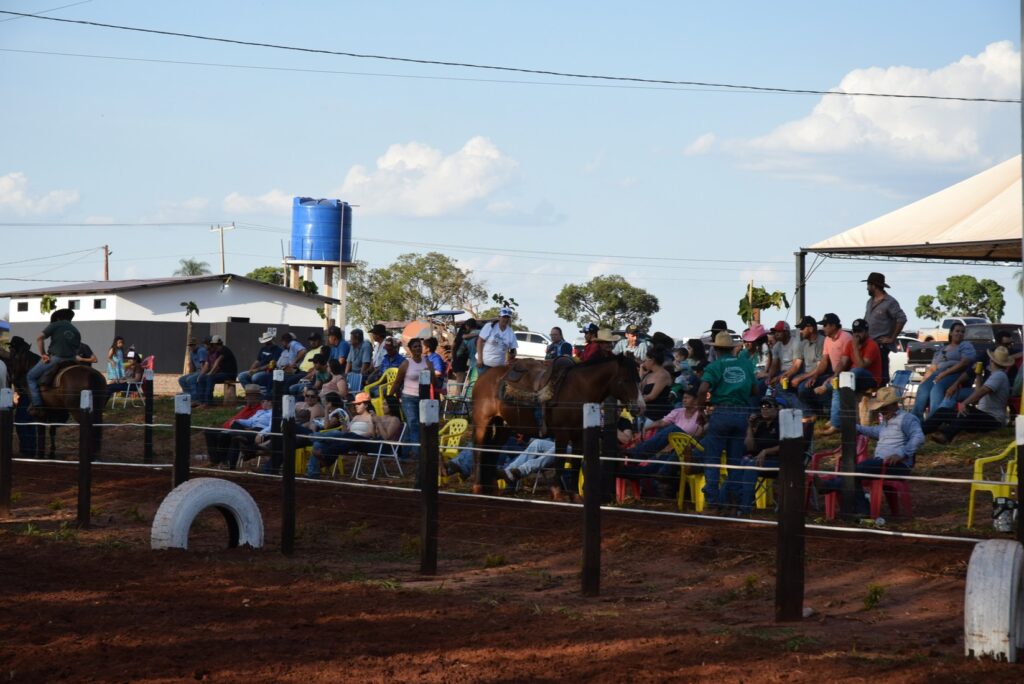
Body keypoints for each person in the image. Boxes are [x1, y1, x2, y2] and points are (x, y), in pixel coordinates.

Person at [696, 330, 757, 513]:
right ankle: (734, 501)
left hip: (721, 412)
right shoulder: (746, 364)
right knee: (735, 461)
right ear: (731, 349)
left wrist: (701, 409)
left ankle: (713, 502)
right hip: (741, 414)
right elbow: (754, 390)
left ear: (716, 350)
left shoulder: (715, 366)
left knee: (713, 459)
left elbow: (702, 389)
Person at [854, 386, 924, 515]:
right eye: (880, 408)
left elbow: (918, 437)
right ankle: (862, 509)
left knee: (855, 471)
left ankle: (831, 487)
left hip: (896, 465)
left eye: (884, 407)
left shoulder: (907, 418)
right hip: (882, 463)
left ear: (894, 404)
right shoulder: (887, 422)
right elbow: (874, 431)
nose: (881, 411)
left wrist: (901, 454)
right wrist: (855, 427)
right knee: (854, 473)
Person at [926, 346, 1013, 443]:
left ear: (992, 361)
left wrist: (965, 403)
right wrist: (978, 374)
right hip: (982, 416)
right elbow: (978, 392)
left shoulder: (999, 376)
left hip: (993, 420)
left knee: (967, 411)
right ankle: (923, 430)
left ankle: (946, 436)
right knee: (943, 412)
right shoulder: (996, 375)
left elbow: (982, 391)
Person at [824, 318, 882, 431]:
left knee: (854, 372)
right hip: (855, 377)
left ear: (866, 332)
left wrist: (855, 347)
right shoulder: (850, 343)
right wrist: (835, 376)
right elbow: (843, 362)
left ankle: (826, 387)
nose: (856, 335)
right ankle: (836, 424)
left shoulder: (872, 345)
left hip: (871, 378)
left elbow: (861, 366)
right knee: (838, 384)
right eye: (855, 331)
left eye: (859, 331)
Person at [912, 321, 976, 421]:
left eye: (962, 332)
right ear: (951, 333)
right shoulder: (942, 348)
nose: (960, 333)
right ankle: (915, 420)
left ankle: (933, 421)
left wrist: (944, 374)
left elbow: (964, 362)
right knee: (923, 389)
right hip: (939, 374)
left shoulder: (965, 346)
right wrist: (924, 380)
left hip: (955, 373)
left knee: (937, 389)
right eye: (957, 331)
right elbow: (933, 367)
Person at [306, 391, 376, 477]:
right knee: (319, 444)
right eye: (355, 404)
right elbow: (346, 430)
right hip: (347, 440)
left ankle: (310, 439)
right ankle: (313, 473)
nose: (355, 406)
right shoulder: (355, 417)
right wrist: (345, 427)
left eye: (358, 404)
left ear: (366, 405)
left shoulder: (371, 417)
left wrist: (355, 436)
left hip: (360, 441)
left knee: (336, 433)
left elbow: (372, 434)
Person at [27, 308, 81, 414]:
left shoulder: (56, 324)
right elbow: (77, 349)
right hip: (72, 360)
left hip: (56, 358)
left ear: (58, 317)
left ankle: (37, 405)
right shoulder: (76, 331)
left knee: (31, 377)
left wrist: (43, 354)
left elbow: (39, 338)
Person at [737, 395, 782, 515]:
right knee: (741, 463)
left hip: (779, 462)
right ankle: (731, 503)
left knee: (751, 465)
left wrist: (766, 451)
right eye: (762, 406)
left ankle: (744, 507)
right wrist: (750, 427)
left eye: (768, 406)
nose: (764, 409)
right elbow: (751, 447)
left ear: (776, 409)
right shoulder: (761, 425)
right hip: (760, 461)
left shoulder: (781, 423)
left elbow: (787, 445)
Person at [805, 313, 853, 424]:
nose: (823, 328)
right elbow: (824, 360)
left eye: (825, 325)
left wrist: (831, 379)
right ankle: (829, 416)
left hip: (847, 373)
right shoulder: (827, 339)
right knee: (808, 387)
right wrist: (815, 376)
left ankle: (835, 421)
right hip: (835, 373)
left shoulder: (846, 338)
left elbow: (845, 362)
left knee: (834, 389)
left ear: (833, 326)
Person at [203, 384, 264, 467]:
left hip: (240, 431)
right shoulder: (247, 407)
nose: (246, 397)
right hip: (228, 428)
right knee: (209, 432)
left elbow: (253, 424)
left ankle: (224, 462)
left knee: (224, 435)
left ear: (257, 397)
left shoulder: (260, 410)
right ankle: (215, 461)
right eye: (246, 395)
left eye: (249, 395)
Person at [863, 272, 907, 386]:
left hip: (880, 344)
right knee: (868, 374)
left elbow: (902, 318)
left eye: (868, 285)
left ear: (873, 286)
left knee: (881, 375)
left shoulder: (890, 302)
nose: (867, 288)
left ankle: (882, 398)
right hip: (868, 343)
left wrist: (892, 338)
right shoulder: (870, 301)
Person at [389, 337, 430, 460]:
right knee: (414, 423)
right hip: (408, 398)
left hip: (423, 398)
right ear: (411, 350)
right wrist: (390, 397)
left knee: (411, 425)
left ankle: (404, 453)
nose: (418, 348)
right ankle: (416, 454)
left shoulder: (427, 362)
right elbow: (397, 382)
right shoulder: (406, 363)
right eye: (415, 346)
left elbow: (433, 381)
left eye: (419, 346)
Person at [790, 316, 826, 411]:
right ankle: (805, 412)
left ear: (811, 328)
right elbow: (796, 364)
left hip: (820, 375)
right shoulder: (804, 343)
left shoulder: (821, 341)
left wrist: (801, 378)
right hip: (807, 375)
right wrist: (785, 375)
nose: (800, 331)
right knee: (781, 385)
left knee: (803, 388)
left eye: (802, 328)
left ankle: (811, 413)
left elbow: (820, 368)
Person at [195, 335, 238, 408]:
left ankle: (208, 402)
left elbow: (217, 362)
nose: (212, 346)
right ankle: (201, 401)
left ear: (215, 344)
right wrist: (203, 375)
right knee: (202, 378)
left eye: (213, 344)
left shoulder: (224, 350)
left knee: (210, 377)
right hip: (222, 374)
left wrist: (210, 373)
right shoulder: (219, 351)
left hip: (230, 374)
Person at [476, 308, 517, 375]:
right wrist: (480, 359)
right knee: (484, 384)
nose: (506, 319)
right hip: (484, 363)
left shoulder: (510, 332)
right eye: (504, 317)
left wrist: (510, 360)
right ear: (499, 317)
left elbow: (513, 350)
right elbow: (479, 341)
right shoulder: (490, 326)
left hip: (499, 366)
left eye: (508, 317)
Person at [639, 347, 674, 423]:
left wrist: (638, 401)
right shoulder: (648, 374)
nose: (644, 363)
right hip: (645, 411)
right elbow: (639, 391)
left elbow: (652, 396)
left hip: (657, 414)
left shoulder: (663, 375)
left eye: (646, 360)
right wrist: (641, 374)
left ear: (652, 361)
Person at [766, 321, 802, 393]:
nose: (776, 334)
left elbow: (795, 367)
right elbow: (774, 365)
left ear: (786, 332)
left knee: (780, 387)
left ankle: (795, 404)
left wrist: (778, 378)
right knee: (763, 384)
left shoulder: (795, 343)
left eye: (779, 332)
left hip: (794, 373)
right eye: (775, 332)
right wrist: (769, 377)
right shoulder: (777, 346)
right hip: (782, 372)